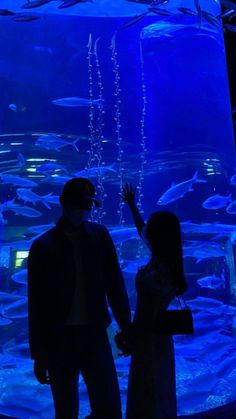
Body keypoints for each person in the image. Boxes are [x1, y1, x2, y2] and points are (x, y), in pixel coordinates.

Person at [27, 177, 131, 419]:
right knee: (65, 410)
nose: (84, 209)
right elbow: (37, 305)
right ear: (63, 202)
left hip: (95, 335)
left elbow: (115, 286)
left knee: (110, 409)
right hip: (58, 340)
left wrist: (127, 327)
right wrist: (39, 353)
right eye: (79, 203)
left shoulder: (100, 236)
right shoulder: (42, 246)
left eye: (88, 204)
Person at [118, 183, 188, 419]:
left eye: (153, 228)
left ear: (160, 235)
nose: (148, 231)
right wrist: (131, 205)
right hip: (148, 333)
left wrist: (131, 332)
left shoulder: (164, 268)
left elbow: (151, 310)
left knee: (152, 385)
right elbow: (142, 230)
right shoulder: (161, 258)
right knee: (146, 384)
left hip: (151, 335)